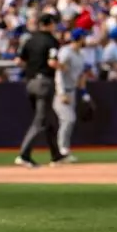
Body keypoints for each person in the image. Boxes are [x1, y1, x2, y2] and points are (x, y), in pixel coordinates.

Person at [16, 11, 61, 167]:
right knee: (40, 121)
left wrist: (32, 66)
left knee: (52, 120)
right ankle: (24, 155)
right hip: (44, 83)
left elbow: (18, 61)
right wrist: (64, 67)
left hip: (30, 83)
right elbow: (52, 63)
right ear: (49, 24)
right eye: (53, 23)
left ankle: (56, 156)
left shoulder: (29, 40)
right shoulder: (51, 41)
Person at [52, 28, 86, 165]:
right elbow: (59, 72)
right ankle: (62, 151)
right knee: (68, 119)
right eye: (83, 37)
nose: (85, 40)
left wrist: (84, 94)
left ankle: (63, 150)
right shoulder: (66, 52)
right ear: (79, 38)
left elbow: (79, 75)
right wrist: (61, 93)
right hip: (63, 91)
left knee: (67, 121)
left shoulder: (80, 54)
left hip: (72, 90)